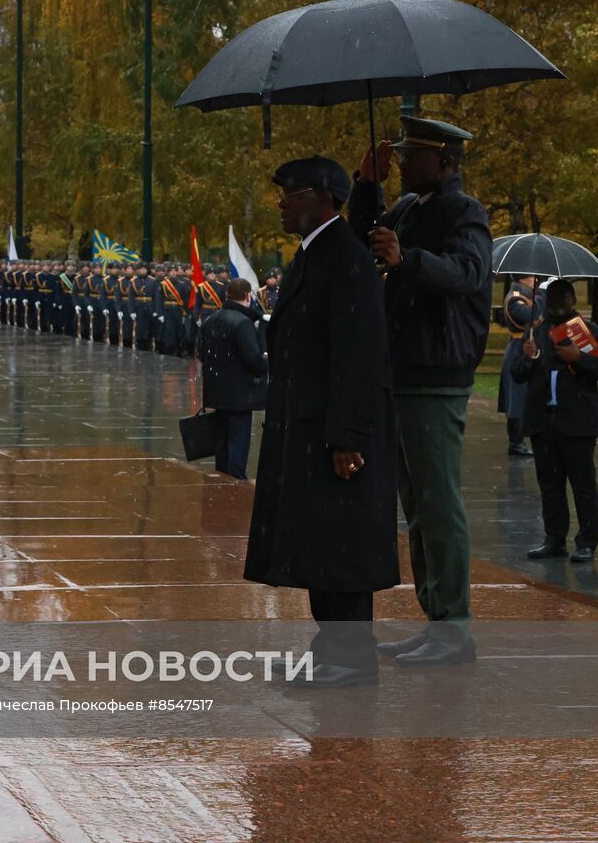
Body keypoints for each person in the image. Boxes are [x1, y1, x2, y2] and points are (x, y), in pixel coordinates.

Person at [245, 156, 397, 689]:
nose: (283, 202)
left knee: (342, 551)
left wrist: (347, 436)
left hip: (333, 436)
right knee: (320, 547)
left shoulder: (347, 259)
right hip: (307, 428)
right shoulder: (317, 255)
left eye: (293, 192)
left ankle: (352, 660)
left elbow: (359, 355)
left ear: (323, 199)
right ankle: (331, 649)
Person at [348, 115, 492, 667]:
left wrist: (407, 258)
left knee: (438, 501)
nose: (404, 162)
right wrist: (366, 185)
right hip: (403, 369)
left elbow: (467, 273)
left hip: (437, 373)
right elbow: (366, 238)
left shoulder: (465, 212)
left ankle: (454, 627)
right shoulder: (408, 209)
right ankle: (436, 620)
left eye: (414, 155)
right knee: (416, 504)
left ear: (446, 162)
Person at [512, 279, 598, 562]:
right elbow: (518, 374)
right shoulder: (536, 332)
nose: (555, 304)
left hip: (577, 422)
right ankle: (554, 538)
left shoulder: (589, 333)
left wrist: (579, 357)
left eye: (561, 298)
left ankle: (586, 541)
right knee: (550, 486)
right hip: (544, 423)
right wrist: (527, 359)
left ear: (572, 301)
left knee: (583, 485)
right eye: (551, 297)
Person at [198, 278, 268, 480]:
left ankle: (222, 482)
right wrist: (268, 362)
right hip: (239, 395)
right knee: (238, 444)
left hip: (217, 392)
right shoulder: (242, 323)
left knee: (222, 445)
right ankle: (236, 484)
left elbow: (201, 352)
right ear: (247, 296)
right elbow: (253, 360)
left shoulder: (212, 319)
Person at [499, 274, 540, 457]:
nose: (535, 281)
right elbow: (528, 316)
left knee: (523, 396)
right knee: (516, 397)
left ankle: (520, 439)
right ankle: (515, 442)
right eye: (532, 277)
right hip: (518, 348)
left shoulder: (525, 295)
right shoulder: (516, 297)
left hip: (525, 346)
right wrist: (542, 296)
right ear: (523, 279)